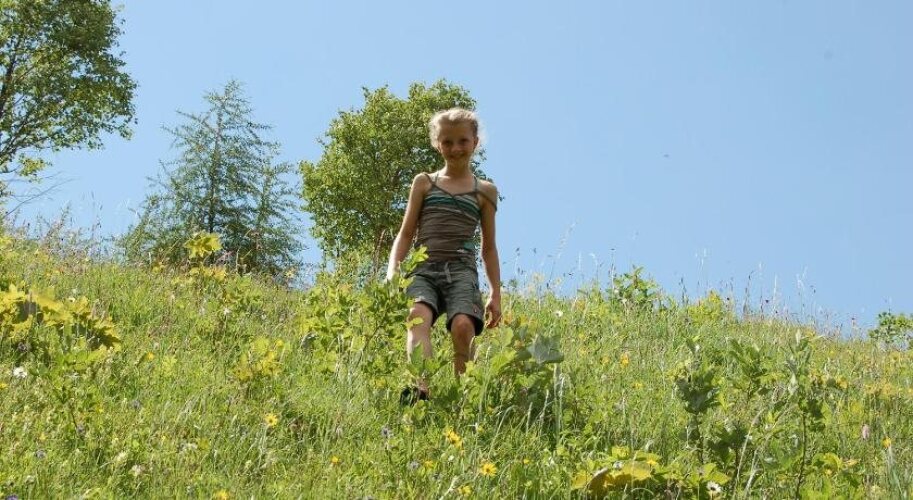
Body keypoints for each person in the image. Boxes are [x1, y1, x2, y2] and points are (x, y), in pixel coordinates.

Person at [385, 108, 501, 402]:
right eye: (447, 142)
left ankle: (464, 398)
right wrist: (393, 272)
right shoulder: (424, 182)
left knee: (463, 326)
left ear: (475, 142)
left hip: (461, 271)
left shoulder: (485, 192)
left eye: (463, 141)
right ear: (437, 144)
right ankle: (420, 389)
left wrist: (495, 293)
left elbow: (488, 247)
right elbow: (406, 233)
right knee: (417, 316)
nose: (455, 148)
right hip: (423, 268)